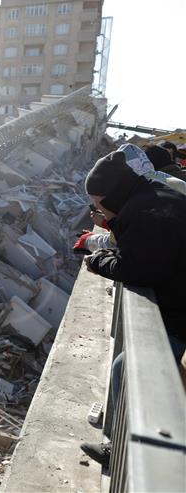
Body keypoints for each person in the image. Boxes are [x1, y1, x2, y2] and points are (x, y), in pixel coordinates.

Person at [80, 149, 186, 465]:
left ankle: (129, 455)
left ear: (112, 195)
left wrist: (98, 261)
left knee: (127, 368)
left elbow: (139, 269)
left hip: (179, 313)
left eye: (98, 202)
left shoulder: (145, 215)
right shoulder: (153, 197)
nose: (97, 210)